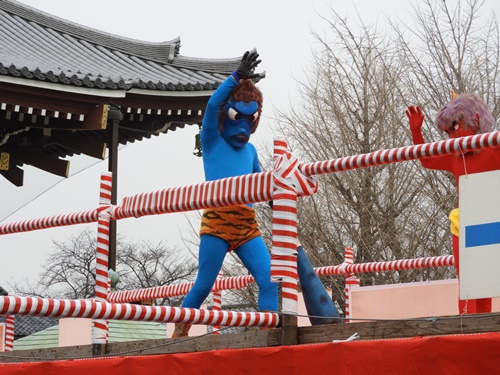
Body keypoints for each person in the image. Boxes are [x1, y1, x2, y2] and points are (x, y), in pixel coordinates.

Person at [172, 51, 278, 337]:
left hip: (246, 222)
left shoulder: (251, 151)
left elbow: (261, 181)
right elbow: (211, 106)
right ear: (226, 115)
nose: (242, 123)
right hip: (218, 220)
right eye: (236, 115)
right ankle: (178, 333)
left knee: (270, 280)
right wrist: (236, 77)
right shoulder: (211, 140)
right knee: (204, 284)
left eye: (249, 117)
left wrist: (277, 199)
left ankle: (266, 333)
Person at [406, 93, 500, 314]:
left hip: (492, 220)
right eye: (447, 132)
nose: (451, 137)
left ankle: (484, 329)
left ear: (474, 120)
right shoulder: (454, 156)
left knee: (484, 278)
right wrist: (416, 131)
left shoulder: (494, 148)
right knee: (467, 280)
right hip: (465, 223)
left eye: (454, 127)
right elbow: (427, 160)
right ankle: (467, 327)